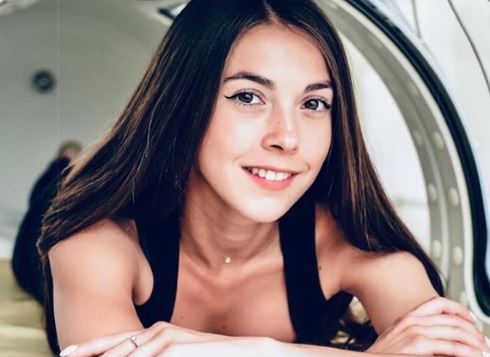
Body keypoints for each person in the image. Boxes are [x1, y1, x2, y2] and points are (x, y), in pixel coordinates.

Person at [36, 0, 489, 356]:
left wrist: (256, 349)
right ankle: (68, 159)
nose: (287, 139)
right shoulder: (95, 238)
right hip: (66, 200)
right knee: (63, 180)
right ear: (183, 104)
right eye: (249, 97)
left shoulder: (353, 248)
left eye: (313, 104)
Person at [11, 140, 81, 303]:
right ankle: (69, 162)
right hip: (35, 269)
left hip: (24, 267)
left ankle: (66, 160)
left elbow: (35, 198)